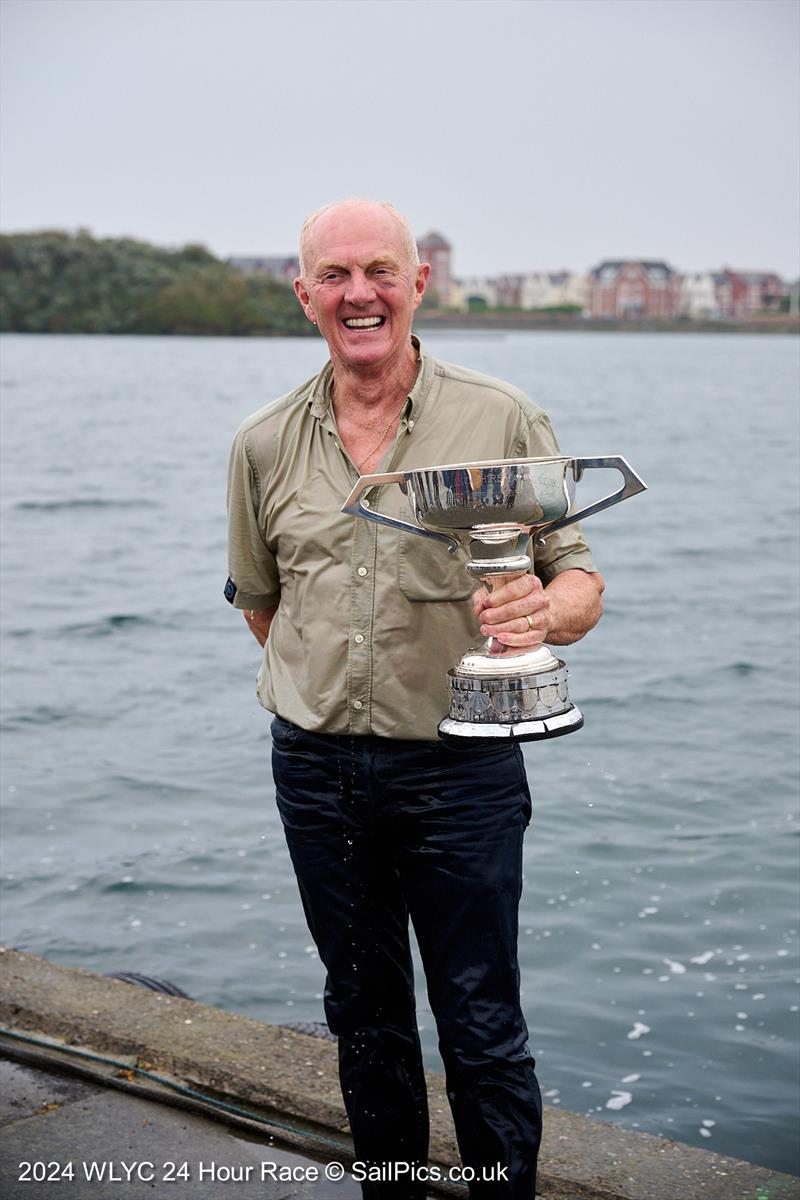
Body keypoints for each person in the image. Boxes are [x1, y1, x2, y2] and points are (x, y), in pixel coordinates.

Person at [225, 199, 605, 1199]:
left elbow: (580, 581)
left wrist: (542, 612)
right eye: (337, 276)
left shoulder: (499, 416)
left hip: (460, 768)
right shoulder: (261, 444)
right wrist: (331, 693)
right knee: (362, 1014)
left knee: (480, 1024)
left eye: (381, 271)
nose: (361, 293)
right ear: (304, 295)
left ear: (417, 283)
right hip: (314, 773)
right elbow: (262, 607)